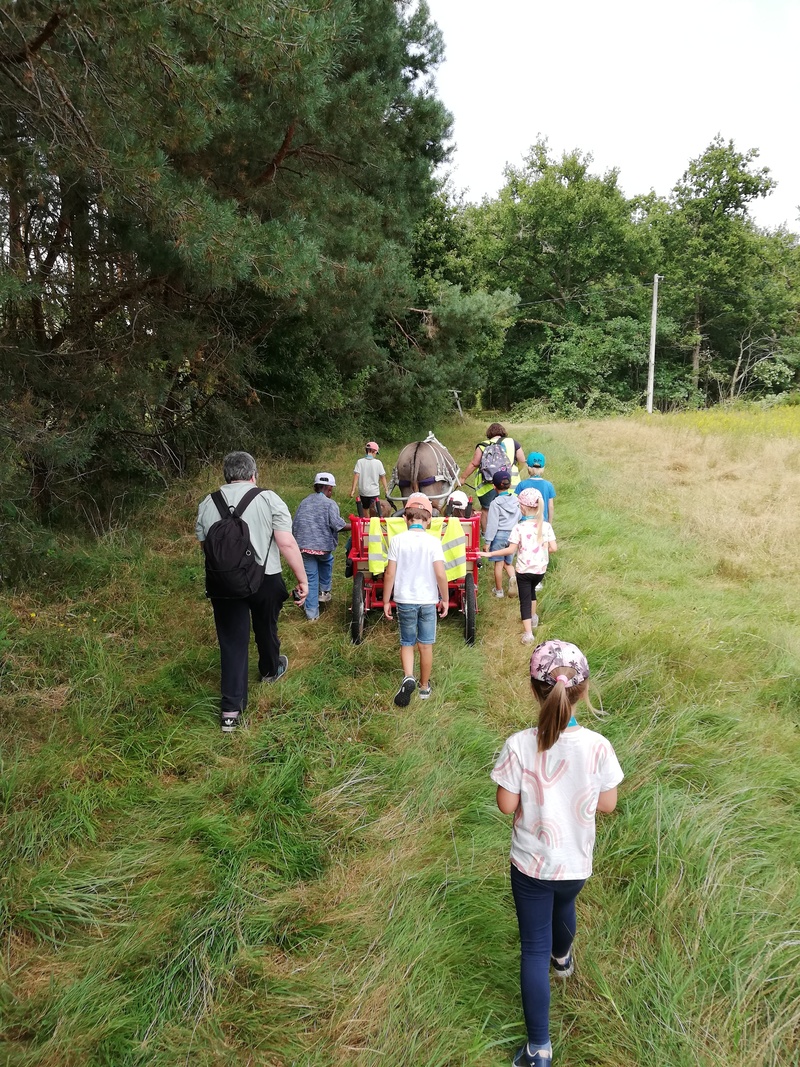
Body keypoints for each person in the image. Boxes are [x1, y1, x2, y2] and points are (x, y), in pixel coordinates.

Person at [491, 640, 624, 1066]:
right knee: (565, 907)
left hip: (531, 864)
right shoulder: (599, 746)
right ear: (582, 690)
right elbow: (607, 804)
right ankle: (563, 959)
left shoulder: (518, 744)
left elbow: (506, 805)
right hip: (575, 862)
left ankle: (539, 1048)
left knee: (532, 948)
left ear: (534, 689)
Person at [195, 451, 308, 732]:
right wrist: (303, 579)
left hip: (224, 583)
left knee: (232, 642)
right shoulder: (268, 499)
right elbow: (286, 544)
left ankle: (230, 712)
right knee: (266, 627)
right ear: (253, 474)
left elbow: (206, 549)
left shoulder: (207, 503)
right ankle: (270, 669)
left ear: (225, 475)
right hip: (265, 578)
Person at [382, 492, 449, 706]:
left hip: (405, 600)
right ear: (428, 520)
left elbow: (389, 574)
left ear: (405, 519)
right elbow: (440, 574)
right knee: (426, 646)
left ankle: (408, 676)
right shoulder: (433, 542)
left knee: (407, 642)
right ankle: (423, 687)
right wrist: (445, 598)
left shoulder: (397, 540)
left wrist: (385, 601)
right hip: (428, 600)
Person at [479, 488, 556, 642]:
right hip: (540, 570)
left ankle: (528, 634)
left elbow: (511, 549)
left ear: (522, 507)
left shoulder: (519, 528)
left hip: (523, 570)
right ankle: (534, 618)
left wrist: (491, 554)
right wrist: (542, 548)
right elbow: (554, 548)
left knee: (525, 600)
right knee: (532, 592)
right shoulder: (546, 526)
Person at [292, 472, 347, 622]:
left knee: (309, 578)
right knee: (326, 562)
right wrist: (353, 525)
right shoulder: (330, 504)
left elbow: (295, 523)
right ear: (329, 488)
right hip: (322, 547)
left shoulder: (304, 502)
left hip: (303, 546)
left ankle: (312, 615)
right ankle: (324, 591)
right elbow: (337, 525)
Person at [461, 423, 526, 534]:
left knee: (486, 509)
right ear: (503, 432)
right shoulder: (512, 443)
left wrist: (463, 478)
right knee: (511, 507)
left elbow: (474, 463)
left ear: (489, 434)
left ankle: (486, 535)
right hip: (509, 483)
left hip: (487, 485)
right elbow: (522, 460)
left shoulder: (482, 445)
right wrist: (516, 470)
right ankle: (512, 534)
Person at [483, 470, 521, 598]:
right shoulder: (516, 501)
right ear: (509, 485)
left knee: (499, 564)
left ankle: (499, 591)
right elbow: (520, 517)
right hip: (513, 536)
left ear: (494, 486)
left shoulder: (495, 504)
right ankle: (513, 578)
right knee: (508, 563)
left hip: (499, 536)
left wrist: (488, 542)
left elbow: (492, 524)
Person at [350, 441, 389, 517]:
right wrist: (386, 489)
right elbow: (382, 477)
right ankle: (372, 523)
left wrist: (353, 490)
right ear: (374, 451)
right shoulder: (378, 463)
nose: (375, 455)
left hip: (363, 491)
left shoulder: (360, 462)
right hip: (374, 492)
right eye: (376, 453)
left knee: (364, 508)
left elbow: (356, 476)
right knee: (374, 509)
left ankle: (367, 523)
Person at [515, 452, 556, 525]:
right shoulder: (548, 485)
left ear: (528, 466)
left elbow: (517, 505)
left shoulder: (522, 484)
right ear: (543, 468)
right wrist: (549, 523)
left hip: (525, 522)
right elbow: (551, 506)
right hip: (542, 522)